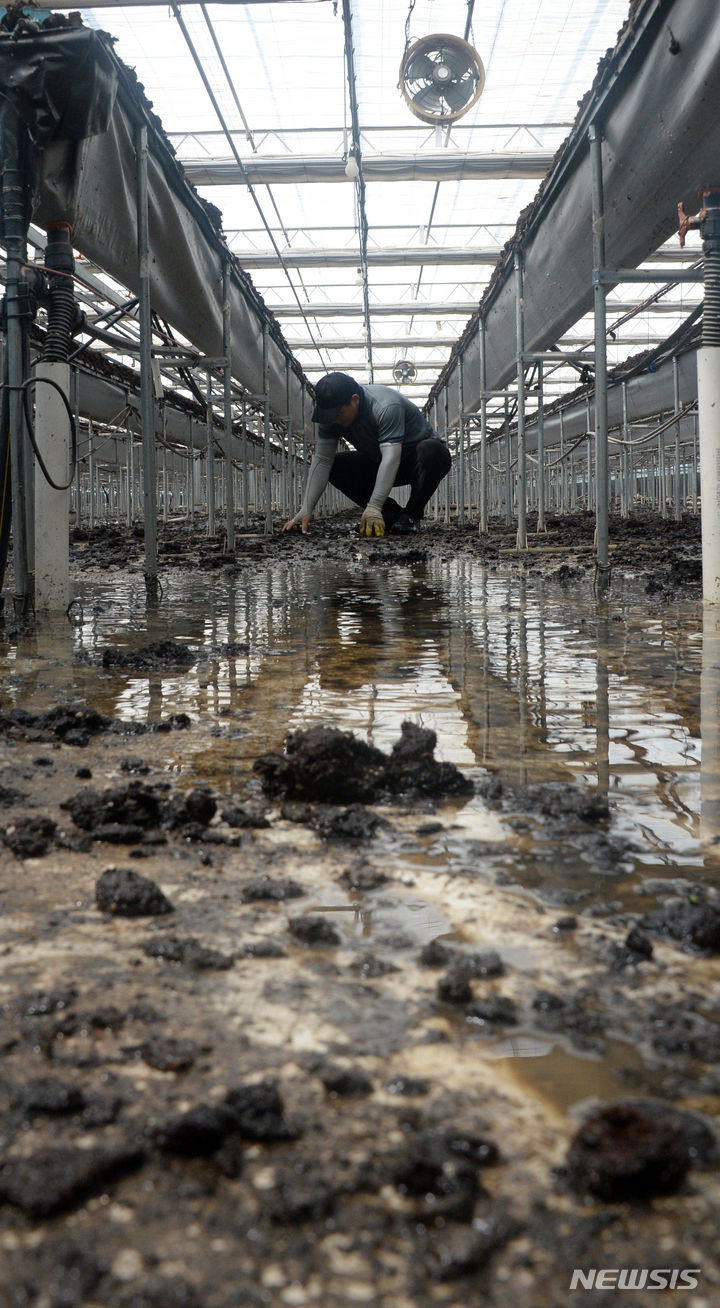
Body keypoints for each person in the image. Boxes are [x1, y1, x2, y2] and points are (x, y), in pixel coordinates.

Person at [283, 372, 451, 537]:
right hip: (379, 462)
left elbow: (391, 458)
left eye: (338, 413)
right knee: (336, 466)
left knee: (433, 451)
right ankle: (390, 515)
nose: (333, 420)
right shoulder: (331, 418)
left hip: (415, 462)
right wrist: (306, 509)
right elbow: (323, 460)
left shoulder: (385, 406)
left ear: (354, 400)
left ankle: (411, 516)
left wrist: (374, 505)